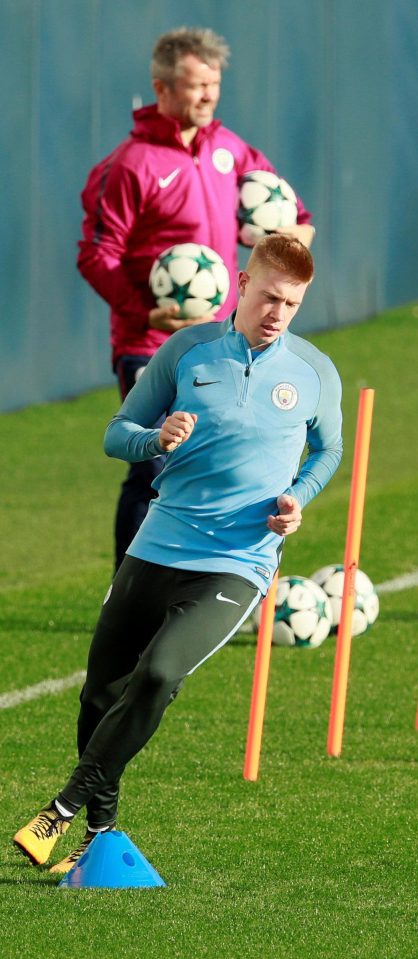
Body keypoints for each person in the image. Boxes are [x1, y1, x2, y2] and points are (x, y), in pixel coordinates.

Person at [13, 234, 342, 874]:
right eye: (271, 296)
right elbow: (116, 435)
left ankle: (61, 809)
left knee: (159, 675)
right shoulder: (186, 351)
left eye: (293, 304)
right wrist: (155, 438)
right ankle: (100, 833)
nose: (278, 313)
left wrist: (298, 496)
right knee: (100, 694)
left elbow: (328, 449)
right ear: (243, 285)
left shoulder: (313, 373)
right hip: (158, 543)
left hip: (237, 562)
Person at [78, 26, 315, 570]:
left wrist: (296, 235)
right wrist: (146, 312)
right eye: (195, 85)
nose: (208, 95)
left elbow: (290, 217)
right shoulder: (132, 164)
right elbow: (97, 253)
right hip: (152, 341)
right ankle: (130, 591)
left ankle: (217, 578)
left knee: (225, 461)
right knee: (155, 462)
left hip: (225, 341)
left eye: (214, 84)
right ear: (161, 89)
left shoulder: (230, 151)